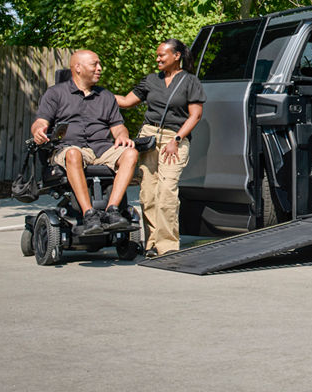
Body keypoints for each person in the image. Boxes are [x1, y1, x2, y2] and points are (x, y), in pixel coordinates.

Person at [30, 49, 138, 236]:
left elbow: (118, 126)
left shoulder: (106, 96)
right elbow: (41, 121)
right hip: (69, 148)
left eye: (99, 64)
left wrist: (122, 135)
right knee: (74, 153)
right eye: (94, 64)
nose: (99, 68)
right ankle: (89, 214)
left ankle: (112, 210)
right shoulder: (55, 93)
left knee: (131, 153)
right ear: (78, 68)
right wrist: (38, 131)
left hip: (101, 149)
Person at [116, 39, 206, 257]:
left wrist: (177, 139)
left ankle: (167, 246)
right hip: (149, 138)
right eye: (156, 55)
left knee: (166, 192)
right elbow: (127, 101)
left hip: (174, 140)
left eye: (161, 55)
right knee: (148, 194)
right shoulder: (150, 81)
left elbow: (196, 115)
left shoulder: (190, 81)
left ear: (177, 56)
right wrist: (98, 94)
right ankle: (152, 243)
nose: (157, 59)